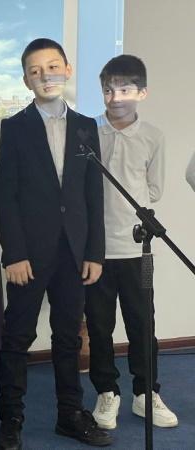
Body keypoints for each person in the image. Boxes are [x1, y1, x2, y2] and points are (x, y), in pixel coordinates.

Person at [0, 38, 112, 449]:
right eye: (35, 70)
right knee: (18, 337)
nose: (45, 75)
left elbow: (93, 194)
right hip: (28, 254)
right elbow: (6, 196)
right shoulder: (14, 127)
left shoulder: (86, 126)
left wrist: (94, 252)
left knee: (68, 337)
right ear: (26, 80)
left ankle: (70, 415)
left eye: (52, 66)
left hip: (74, 252)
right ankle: (11, 420)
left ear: (67, 70)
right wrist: (14, 253)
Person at [85, 54, 177, 430]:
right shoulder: (88, 132)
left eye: (124, 89)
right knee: (99, 326)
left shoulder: (153, 136)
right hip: (96, 251)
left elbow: (154, 189)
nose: (115, 97)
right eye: (108, 90)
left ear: (142, 93)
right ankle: (107, 391)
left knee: (142, 323)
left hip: (139, 250)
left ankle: (145, 393)